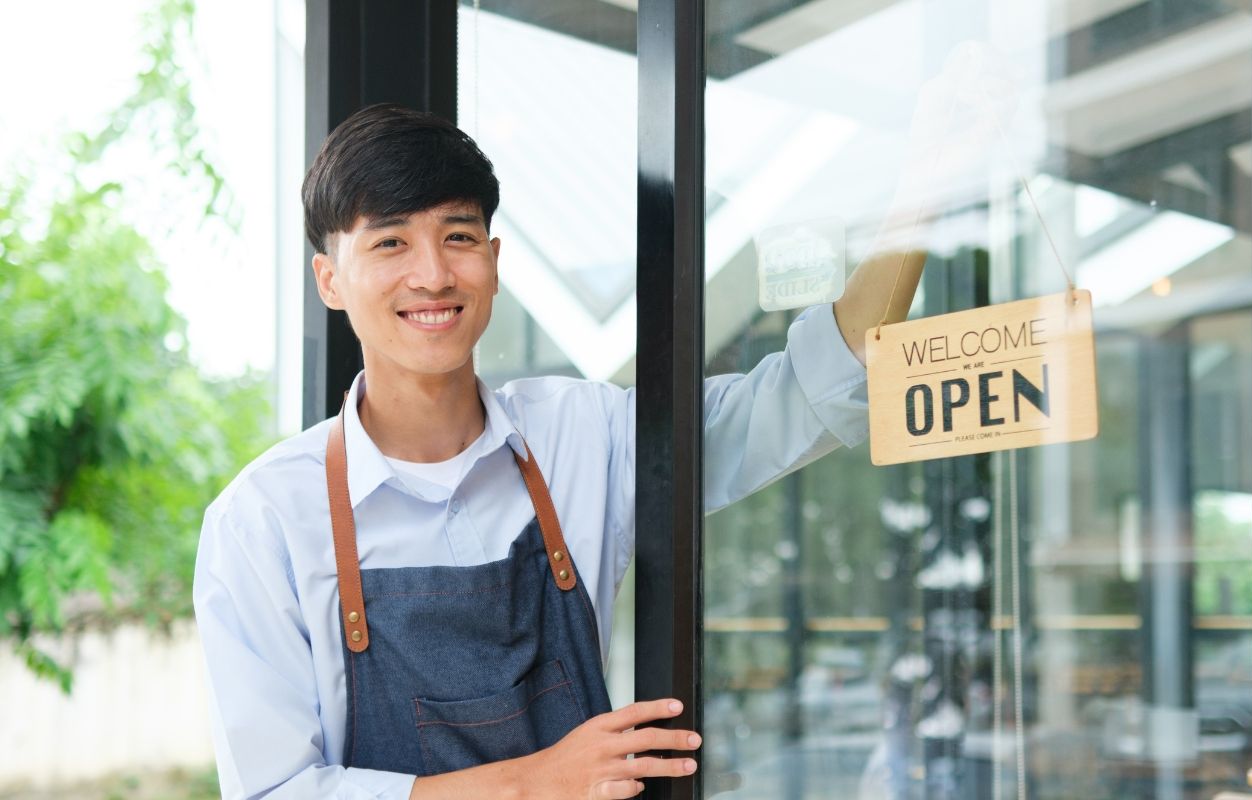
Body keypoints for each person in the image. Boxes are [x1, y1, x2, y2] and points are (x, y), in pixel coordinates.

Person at [194, 102, 924, 799]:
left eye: (458, 235)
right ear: (330, 280)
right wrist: (538, 783)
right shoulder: (264, 523)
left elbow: (806, 391)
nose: (434, 274)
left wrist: (933, 176)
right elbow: (277, 792)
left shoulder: (584, 436)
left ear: (494, 258)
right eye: (390, 242)